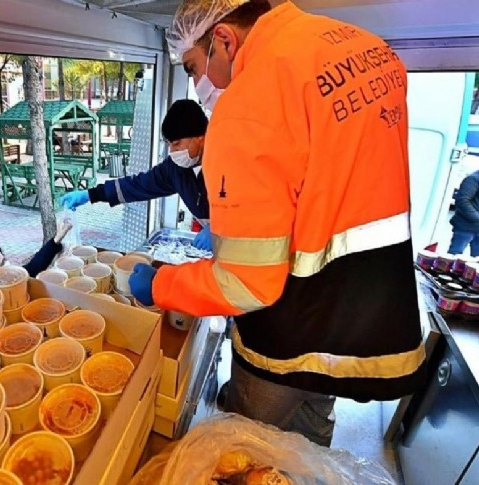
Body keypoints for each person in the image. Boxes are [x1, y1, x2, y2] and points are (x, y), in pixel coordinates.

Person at [129, 0, 426, 447]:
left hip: (289, 329)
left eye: (192, 68)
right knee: (311, 433)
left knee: (247, 447)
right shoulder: (368, 50)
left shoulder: (249, 103)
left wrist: (160, 287)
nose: (198, 84)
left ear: (224, 39)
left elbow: (246, 284)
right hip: (360, 319)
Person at [60, 99, 213, 250]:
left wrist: (217, 229)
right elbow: (138, 185)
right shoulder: (175, 169)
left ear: (200, 137)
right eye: (169, 144)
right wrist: (90, 194)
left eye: (177, 143)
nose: (172, 151)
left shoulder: (225, 164)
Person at [0, 223, 73, 297]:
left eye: (5, 260)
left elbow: (32, 268)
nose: (8, 265)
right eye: (2, 264)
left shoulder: (9, 280)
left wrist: (55, 240)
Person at [448, 170, 479, 256]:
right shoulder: (473, 179)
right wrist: (477, 217)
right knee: (454, 257)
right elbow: (462, 200)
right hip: (465, 227)